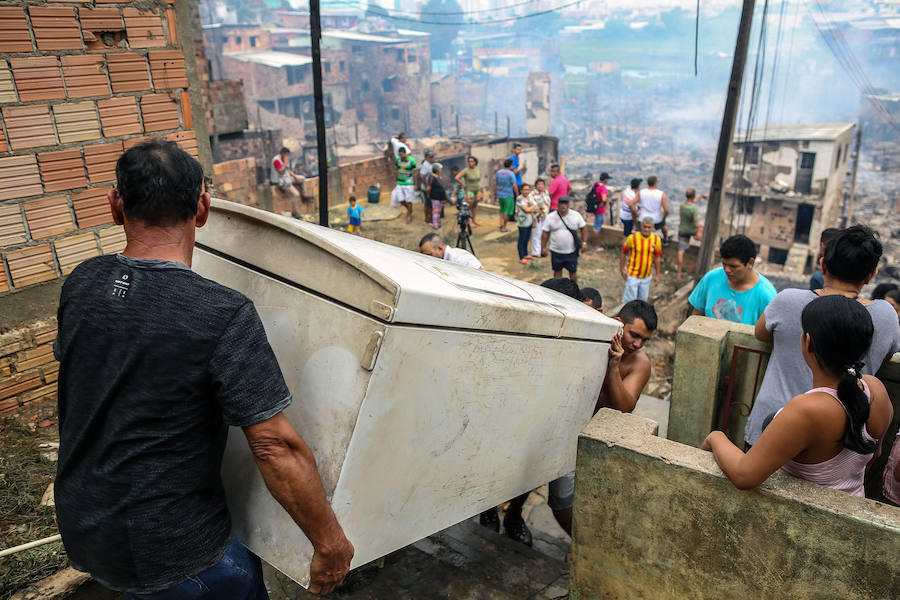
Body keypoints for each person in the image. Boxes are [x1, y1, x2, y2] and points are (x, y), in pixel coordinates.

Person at [53, 140, 354, 599]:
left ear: (115, 205)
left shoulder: (81, 283)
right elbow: (276, 446)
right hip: (176, 549)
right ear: (203, 208)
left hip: (85, 528)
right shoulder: (221, 312)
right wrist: (330, 544)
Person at [702, 295, 893, 497]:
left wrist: (716, 437)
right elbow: (875, 454)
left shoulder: (806, 411)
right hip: (851, 507)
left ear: (807, 342)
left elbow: (744, 475)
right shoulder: (876, 390)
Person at [745, 225, 900, 447]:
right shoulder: (886, 316)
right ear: (871, 275)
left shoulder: (787, 300)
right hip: (835, 443)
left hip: (769, 428)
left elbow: (761, 334)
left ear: (822, 265)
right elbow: (884, 357)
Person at [479, 277, 584, 545]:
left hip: (544, 418)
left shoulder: (580, 337)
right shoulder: (523, 320)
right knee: (495, 463)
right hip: (510, 409)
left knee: (528, 473)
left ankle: (514, 514)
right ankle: (488, 510)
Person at [689, 234, 776, 325]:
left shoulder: (766, 295)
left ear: (750, 263)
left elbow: (769, 335)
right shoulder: (711, 279)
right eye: (724, 264)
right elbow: (696, 317)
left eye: (733, 266)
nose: (727, 270)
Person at [595, 300, 657, 415]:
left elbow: (624, 408)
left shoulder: (640, 363)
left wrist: (614, 368)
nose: (638, 345)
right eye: (634, 335)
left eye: (644, 340)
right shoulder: (594, 341)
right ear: (619, 324)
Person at [540, 196, 587, 282]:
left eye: (565, 203)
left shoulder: (576, 215)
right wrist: (543, 247)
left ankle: (574, 291)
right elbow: (545, 233)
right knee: (557, 272)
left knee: (573, 273)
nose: (563, 205)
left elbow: (583, 228)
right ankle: (557, 291)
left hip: (571, 251)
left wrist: (584, 243)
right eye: (561, 203)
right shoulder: (550, 217)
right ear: (557, 204)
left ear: (569, 204)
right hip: (556, 251)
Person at [620, 216, 663, 303]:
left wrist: (658, 274)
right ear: (641, 226)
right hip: (633, 275)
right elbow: (624, 253)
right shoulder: (632, 238)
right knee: (630, 301)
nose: (646, 229)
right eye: (644, 227)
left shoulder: (656, 240)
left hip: (646, 276)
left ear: (652, 227)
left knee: (642, 301)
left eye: (649, 227)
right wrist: (622, 269)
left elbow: (657, 258)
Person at [270, 147, 308, 219]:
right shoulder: (276, 160)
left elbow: (287, 170)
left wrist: (295, 177)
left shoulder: (282, 160)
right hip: (281, 182)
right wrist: (285, 162)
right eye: (287, 155)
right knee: (296, 194)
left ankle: (304, 196)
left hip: (287, 179)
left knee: (302, 178)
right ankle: (294, 212)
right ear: (285, 154)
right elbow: (281, 171)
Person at [676, 189, 705, 278]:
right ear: (693, 196)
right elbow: (696, 224)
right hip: (692, 231)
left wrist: (702, 196)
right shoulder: (693, 209)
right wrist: (702, 226)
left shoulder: (682, 205)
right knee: (702, 231)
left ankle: (679, 274)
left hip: (683, 232)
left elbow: (693, 200)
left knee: (681, 251)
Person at [418, 232, 483, 269]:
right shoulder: (442, 260)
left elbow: (481, 271)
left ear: (440, 248)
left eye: (428, 255)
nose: (426, 259)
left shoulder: (459, 258)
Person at [634, 175, 669, 241]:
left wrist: (635, 214)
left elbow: (631, 204)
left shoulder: (641, 192)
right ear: (656, 183)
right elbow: (666, 210)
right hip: (656, 219)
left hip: (643, 218)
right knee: (664, 227)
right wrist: (663, 218)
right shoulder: (661, 194)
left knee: (641, 233)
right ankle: (665, 239)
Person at [391, 146, 417, 224]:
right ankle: (410, 209)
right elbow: (395, 170)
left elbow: (415, 173)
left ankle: (409, 215)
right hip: (399, 183)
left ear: (404, 153)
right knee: (401, 200)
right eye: (399, 154)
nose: (400, 156)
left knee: (409, 201)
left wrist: (415, 184)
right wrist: (395, 181)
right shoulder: (398, 160)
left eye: (401, 154)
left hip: (409, 183)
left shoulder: (411, 161)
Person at [515, 183, 539, 264]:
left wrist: (530, 208)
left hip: (530, 221)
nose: (526, 191)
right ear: (521, 191)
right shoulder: (519, 199)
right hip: (522, 222)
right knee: (522, 239)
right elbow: (526, 210)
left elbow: (537, 207)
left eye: (528, 189)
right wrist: (532, 208)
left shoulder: (530, 197)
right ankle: (521, 257)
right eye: (525, 189)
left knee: (527, 238)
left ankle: (525, 254)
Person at [455, 156, 482, 227]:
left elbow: (479, 178)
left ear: (475, 162)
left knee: (475, 206)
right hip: (469, 191)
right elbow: (457, 177)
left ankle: (474, 220)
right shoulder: (466, 171)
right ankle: (469, 222)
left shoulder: (478, 169)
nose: (470, 163)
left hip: (477, 190)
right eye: (469, 161)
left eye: (472, 161)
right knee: (469, 207)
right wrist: (463, 184)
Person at [494, 158, 518, 233]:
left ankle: (500, 224)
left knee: (502, 209)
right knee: (507, 212)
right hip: (508, 195)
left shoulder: (499, 172)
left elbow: (495, 183)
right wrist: (517, 194)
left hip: (500, 194)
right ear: (511, 166)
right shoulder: (511, 174)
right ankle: (504, 227)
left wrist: (495, 193)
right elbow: (514, 185)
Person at [529, 178, 550, 258]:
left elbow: (547, 203)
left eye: (542, 184)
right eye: (539, 184)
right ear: (536, 185)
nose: (540, 186)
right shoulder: (532, 194)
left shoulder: (546, 193)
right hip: (537, 217)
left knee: (543, 234)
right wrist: (538, 213)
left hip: (545, 216)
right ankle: (536, 252)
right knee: (536, 234)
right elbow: (533, 205)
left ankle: (542, 250)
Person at [590, 172, 611, 253]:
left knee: (596, 226)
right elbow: (604, 198)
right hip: (600, 210)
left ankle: (593, 245)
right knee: (597, 228)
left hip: (595, 208)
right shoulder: (603, 188)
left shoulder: (595, 184)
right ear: (605, 179)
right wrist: (603, 204)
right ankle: (595, 246)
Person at [426, 163, 448, 229]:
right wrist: (428, 195)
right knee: (435, 212)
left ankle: (438, 223)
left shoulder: (438, 177)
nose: (441, 171)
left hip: (440, 198)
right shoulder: (432, 177)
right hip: (435, 197)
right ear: (437, 170)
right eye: (440, 169)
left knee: (438, 212)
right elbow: (429, 188)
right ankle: (435, 226)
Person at [416, 149, 435, 224]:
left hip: (429, 188)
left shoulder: (430, 164)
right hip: (426, 189)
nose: (432, 158)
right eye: (430, 157)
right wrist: (427, 186)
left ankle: (427, 219)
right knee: (429, 204)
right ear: (426, 157)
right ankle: (429, 220)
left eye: (433, 156)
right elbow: (422, 176)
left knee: (427, 204)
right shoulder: (426, 164)